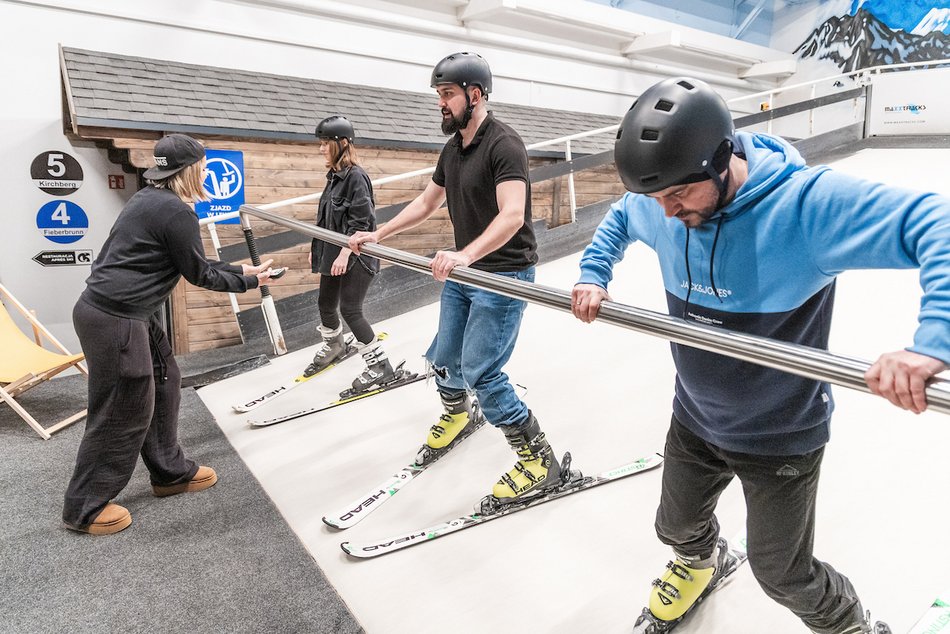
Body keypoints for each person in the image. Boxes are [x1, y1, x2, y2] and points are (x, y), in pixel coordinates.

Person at [573, 77, 948, 633]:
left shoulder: (804, 208)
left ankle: (851, 626)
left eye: (678, 196)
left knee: (782, 573)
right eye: (659, 197)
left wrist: (932, 341)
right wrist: (593, 273)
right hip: (695, 420)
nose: (667, 213)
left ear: (723, 160)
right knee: (674, 526)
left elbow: (937, 223)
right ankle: (701, 563)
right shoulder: (664, 199)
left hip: (781, 437)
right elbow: (625, 215)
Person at [349, 52, 564, 507]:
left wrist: (465, 254)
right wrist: (378, 233)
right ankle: (457, 414)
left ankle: (539, 459)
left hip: (504, 274)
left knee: (483, 370)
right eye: (439, 96)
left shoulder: (505, 143)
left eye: (447, 95)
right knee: (446, 356)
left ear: (476, 94)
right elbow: (427, 203)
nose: (441, 104)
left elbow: (512, 215)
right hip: (467, 272)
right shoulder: (453, 148)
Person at [63, 133, 280, 535]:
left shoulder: (149, 199)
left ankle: (170, 472)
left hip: (125, 315)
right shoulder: (175, 211)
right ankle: (84, 507)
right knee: (121, 408)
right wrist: (251, 283)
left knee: (165, 381)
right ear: (192, 170)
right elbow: (199, 274)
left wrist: (242, 270)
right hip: (115, 319)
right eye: (202, 167)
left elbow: (189, 259)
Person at [307, 115, 393, 392]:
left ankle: (381, 366)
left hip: (357, 256)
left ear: (342, 143)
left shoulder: (356, 177)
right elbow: (326, 220)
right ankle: (334, 346)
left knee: (350, 310)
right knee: (325, 303)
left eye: (325, 143)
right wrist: (317, 249)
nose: (321, 149)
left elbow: (362, 223)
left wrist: (345, 254)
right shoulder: (333, 177)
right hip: (332, 254)